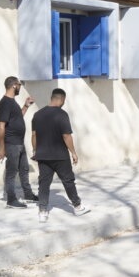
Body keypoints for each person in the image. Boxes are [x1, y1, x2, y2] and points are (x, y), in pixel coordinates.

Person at [31, 88, 90, 223]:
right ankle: (78, 206)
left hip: (43, 155)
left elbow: (34, 135)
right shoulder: (62, 114)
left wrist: (35, 151)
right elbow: (66, 135)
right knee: (68, 181)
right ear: (61, 99)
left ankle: (42, 212)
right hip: (60, 155)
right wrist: (73, 153)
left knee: (44, 183)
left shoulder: (37, 114)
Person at [0, 76, 37, 208]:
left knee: (24, 169)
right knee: (11, 172)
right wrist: (2, 148)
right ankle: (11, 200)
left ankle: (28, 194)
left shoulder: (12, 102)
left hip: (19, 142)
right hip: (11, 143)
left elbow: (18, 117)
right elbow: (1, 126)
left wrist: (25, 106)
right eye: (19, 84)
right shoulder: (5, 103)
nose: (20, 87)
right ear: (14, 85)